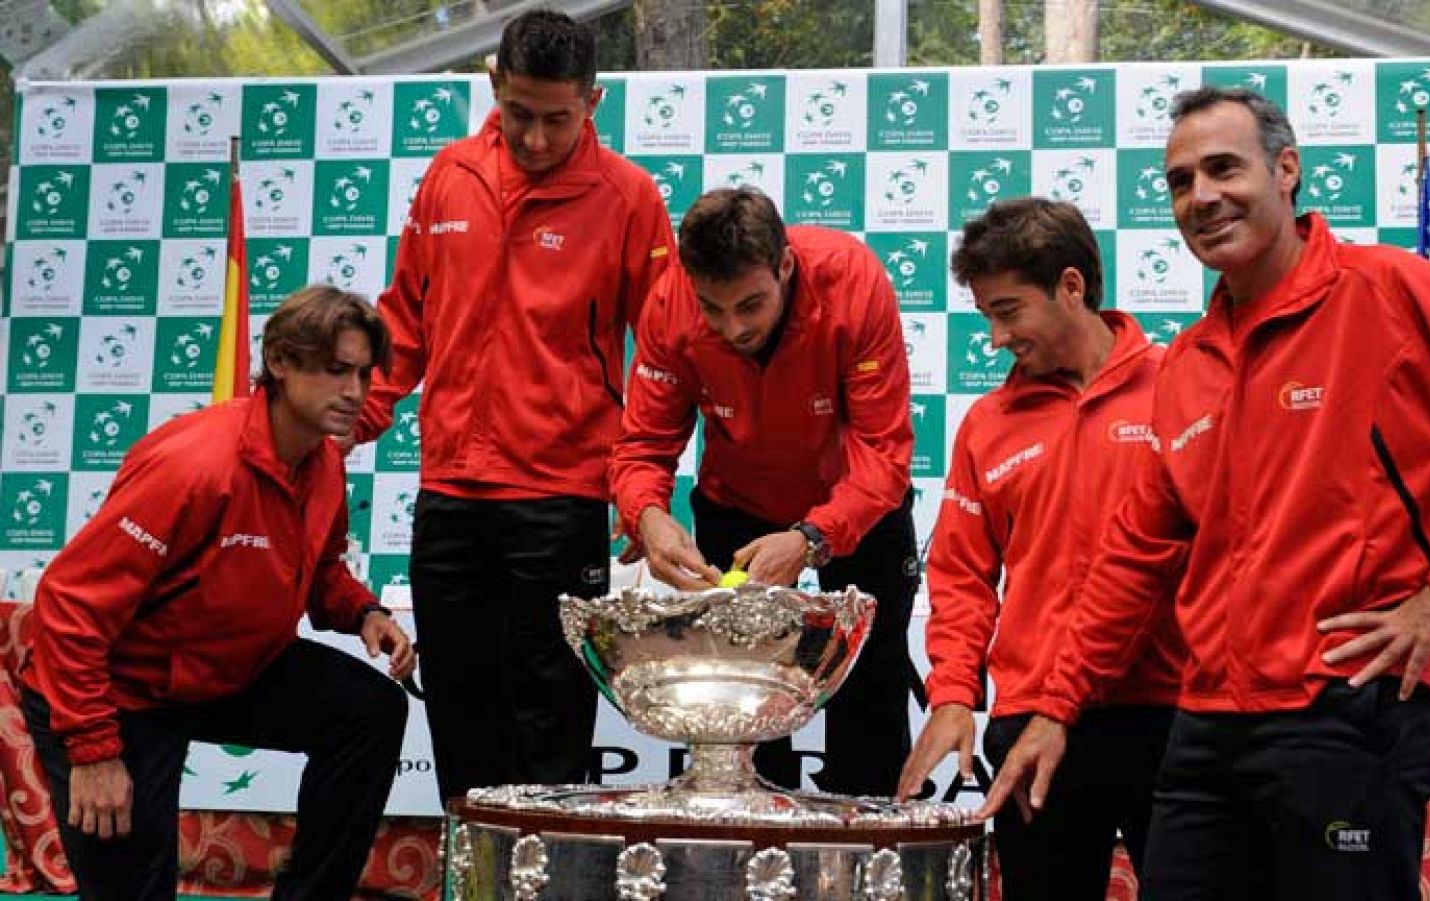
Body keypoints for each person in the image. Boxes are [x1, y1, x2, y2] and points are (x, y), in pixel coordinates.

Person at [981, 86, 1430, 899]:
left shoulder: (1386, 290)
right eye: (1178, 180)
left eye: (1222, 168)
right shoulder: (1189, 363)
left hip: (1349, 708)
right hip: (1203, 726)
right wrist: (1057, 707)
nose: (1200, 196)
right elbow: (1134, 557)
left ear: (1286, 169)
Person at [345, 10, 675, 803]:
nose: (533, 137)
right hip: (451, 495)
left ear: (593, 101)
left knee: (552, 722)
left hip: (560, 501)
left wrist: (643, 493)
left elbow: (666, 359)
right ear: (492, 85)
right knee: (460, 714)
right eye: (517, 113)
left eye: (556, 119)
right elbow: (407, 325)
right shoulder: (448, 174)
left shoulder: (628, 197)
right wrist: (343, 424)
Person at [20, 285, 415, 901]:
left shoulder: (324, 463)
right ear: (280, 363)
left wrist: (362, 610)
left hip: (221, 671)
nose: (356, 392)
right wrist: (94, 750)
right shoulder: (196, 465)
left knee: (370, 711)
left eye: (364, 373)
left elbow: (319, 570)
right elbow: (69, 605)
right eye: (336, 370)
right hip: (115, 692)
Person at [895, 198, 1183, 899]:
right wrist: (956, 694)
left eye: (1008, 310)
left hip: (1172, 708)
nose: (994, 336)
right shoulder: (986, 424)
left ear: (1072, 287)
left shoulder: (1182, 382)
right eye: (985, 315)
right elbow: (961, 577)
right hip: (1031, 719)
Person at [611, 187, 917, 797]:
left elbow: (884, 453)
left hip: (856, 508)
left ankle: (864, 873)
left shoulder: (852, 279)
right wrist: (645, 513)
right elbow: (643, 444)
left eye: (751, 304)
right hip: (736, 505)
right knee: (735, 708)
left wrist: (810, 539)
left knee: (869, 700)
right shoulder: (670, 300)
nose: (734, 327)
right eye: (714, 309)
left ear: (785, 265)